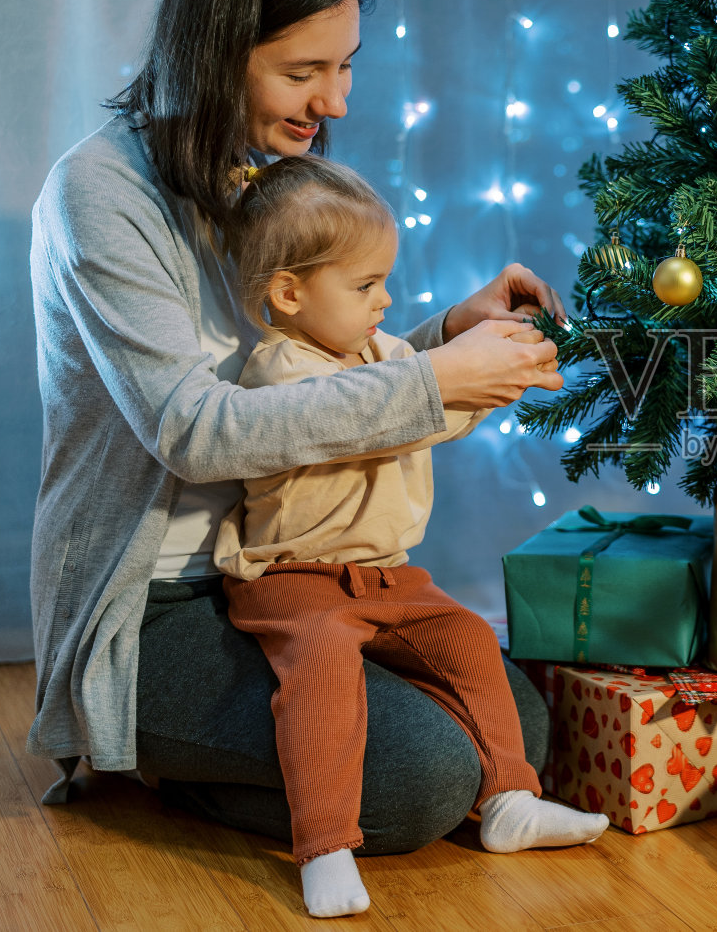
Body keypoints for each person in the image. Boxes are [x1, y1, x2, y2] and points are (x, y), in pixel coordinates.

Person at [28, 0, 566, 869]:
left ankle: (284, 746)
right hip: (157, 605)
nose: (336, 102)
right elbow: (199, 430)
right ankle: (145, 755)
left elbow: (301, 379)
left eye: (345, 65)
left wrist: (445, 336)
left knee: (520, 726)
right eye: (304, 70)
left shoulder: (261, 173)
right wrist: (433, 381)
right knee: (423, 776)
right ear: (214, 53)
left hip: (294, 572)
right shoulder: (99, 193)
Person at [210, 155, 604, 917]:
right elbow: (370, 411)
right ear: (289, 293)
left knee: (468, 638)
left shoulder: (381, 353)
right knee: (322, 668)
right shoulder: (279, 373)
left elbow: (432, 405)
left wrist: (498, 372)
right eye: (365, 286)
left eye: (385, 282)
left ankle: (510, 801)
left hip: (388, 575)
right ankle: (325, 843)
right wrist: (445, 376)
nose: (385, 300)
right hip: (295, 579)